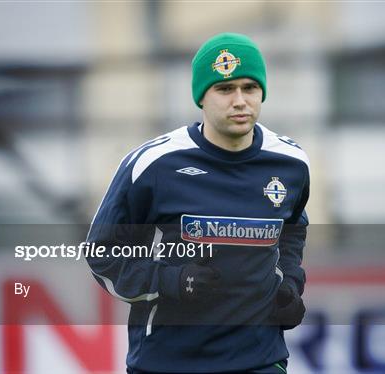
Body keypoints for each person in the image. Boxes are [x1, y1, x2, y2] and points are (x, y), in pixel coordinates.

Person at [86, 32, 310, 374]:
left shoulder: (291, 163)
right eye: (225, 89)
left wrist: (289, 283)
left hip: (260, 360)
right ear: (201, 97)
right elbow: (102, 255)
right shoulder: (154, 164)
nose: (239, 101)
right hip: (167, 363)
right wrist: (171, 281)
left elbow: (294, 228)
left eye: (249, 88)